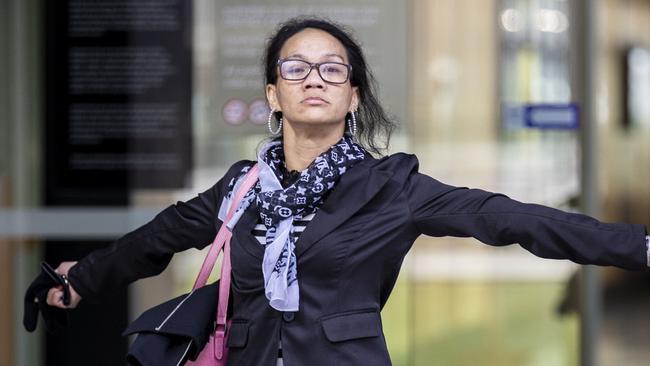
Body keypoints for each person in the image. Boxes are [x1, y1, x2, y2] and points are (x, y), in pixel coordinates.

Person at [41, 17, 648, 366]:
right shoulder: (243, 186)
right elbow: (161, 236)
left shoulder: (391, 188)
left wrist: (640, 247)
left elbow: (510, 218)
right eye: (295, 67)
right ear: (273, 95)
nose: (314, 79)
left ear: (352, 95)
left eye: (333, 68)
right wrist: (81, 280)